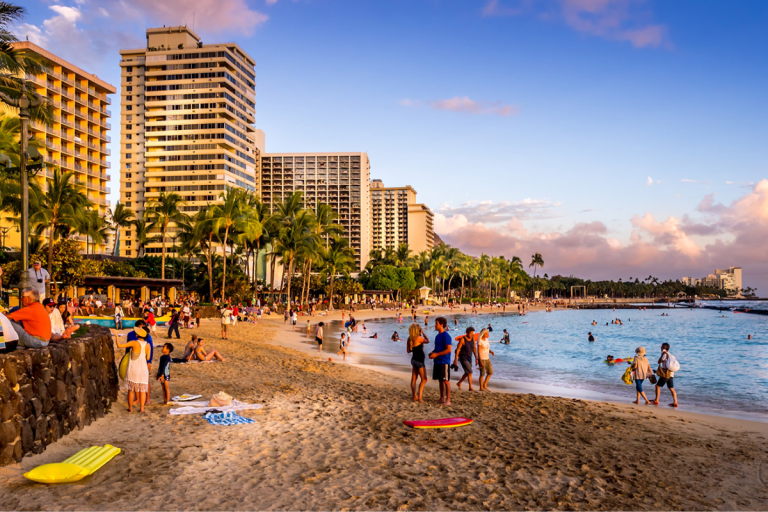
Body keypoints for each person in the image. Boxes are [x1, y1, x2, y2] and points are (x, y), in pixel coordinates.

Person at [116, 326, 151, 413]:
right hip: (143, 369)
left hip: (134, 368)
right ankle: (142, 408)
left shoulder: (134, 343)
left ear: (137, 334)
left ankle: (130, 408)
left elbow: (119, 345)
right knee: (142, 390)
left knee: (131, 389)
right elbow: (148, 358)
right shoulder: (148, 345)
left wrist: (116, 336)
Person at [428, 317, 452, 405]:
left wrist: (436, 354)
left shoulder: (446, 336)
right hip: (437, 361)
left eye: (436, 323)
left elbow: (449, 349)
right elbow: (437, 348)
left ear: (442, 325)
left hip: (444, 361)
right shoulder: (437, 336)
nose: (435, 325)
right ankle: (442, 398)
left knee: (446, 380)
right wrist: (433, 352)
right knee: (440, 380)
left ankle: (448, 400)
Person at [407, 323, 429, 402]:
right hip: (419, 360)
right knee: (424, 379)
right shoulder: (419, 338)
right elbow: (428, 341)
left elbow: (408, 351)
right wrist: (423, 333)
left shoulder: (409, 338)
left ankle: (414, 396)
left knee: (414, 379)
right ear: (417, 330)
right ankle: (420, 397)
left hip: (413, 360)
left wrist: (414, 349)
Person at [651, 342, 679, 407]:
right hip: (671, 374)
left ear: (664, 348)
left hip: (666, 374)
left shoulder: (664, 354)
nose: (660, 347)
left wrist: (661, 355)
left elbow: (659, 361)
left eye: (661, 347)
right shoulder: (671, 355)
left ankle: (656, 400)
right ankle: (675, 402)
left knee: (657, 386)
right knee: (671, 388)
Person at [453, 327, 479, 391]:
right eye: (471, 333)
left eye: (473, 333)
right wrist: (455, 360)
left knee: (467, 372)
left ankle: (459, 383)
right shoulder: (463, 340)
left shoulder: (472, 339)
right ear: (467, 333)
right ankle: (470, 387)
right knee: (470, 371)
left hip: (469, 357)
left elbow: (474, 348)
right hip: (463, 357)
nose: (472, 335)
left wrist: (476, 358)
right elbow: (458, 350)